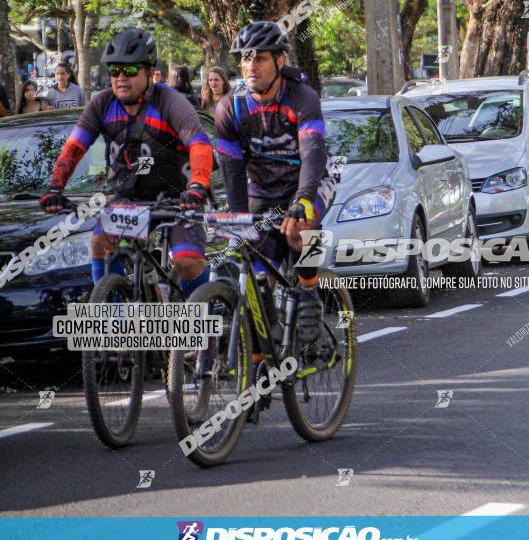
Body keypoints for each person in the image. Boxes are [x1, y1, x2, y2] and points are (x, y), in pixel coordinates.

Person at [39, 28, 214, 298]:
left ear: (148, 72)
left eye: (130, 71)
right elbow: (74, 148)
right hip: (130, 198)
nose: (121, 78)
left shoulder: (170, 102)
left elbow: (200, 144)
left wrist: (198, 185)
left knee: (185, 261)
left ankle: (203, 317)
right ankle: (115, 320)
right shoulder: (102, 103)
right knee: (100, 242)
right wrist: (54, 188)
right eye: (115, 70)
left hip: (179, 198)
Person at [215, 20, 336, 345]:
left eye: (260, 58)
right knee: (254, 269)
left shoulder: (302, 97)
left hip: (308, 182)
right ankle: (263, 353)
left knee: (302, 225)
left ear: (280, 61)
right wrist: (240, 223)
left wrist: (304, 198)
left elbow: (312, 152)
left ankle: (309, 289)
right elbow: (232, 171)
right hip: (263, 191)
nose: (250, 66)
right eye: (244, 59)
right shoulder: (231, 108)